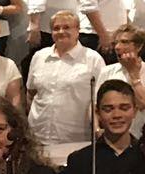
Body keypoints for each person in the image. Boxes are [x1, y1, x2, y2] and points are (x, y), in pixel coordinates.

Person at [25, 11, 105, 159]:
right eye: (56, 28)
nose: (61, 32)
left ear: (77, 30)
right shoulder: (39, 57)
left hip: (75, 138)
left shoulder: (93, 59)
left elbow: (101, 101)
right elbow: (31, 93)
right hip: (38, 136)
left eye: (67, 27)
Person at [100, 25, 145, 136]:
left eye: (124, 42)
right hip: (108, 133)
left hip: (137, 135)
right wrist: (97, 129)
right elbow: (96, 104)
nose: (117, 47)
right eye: (115, 43)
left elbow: (143, 103)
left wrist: (133, 74)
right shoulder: (106, 71)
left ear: (138, 46)